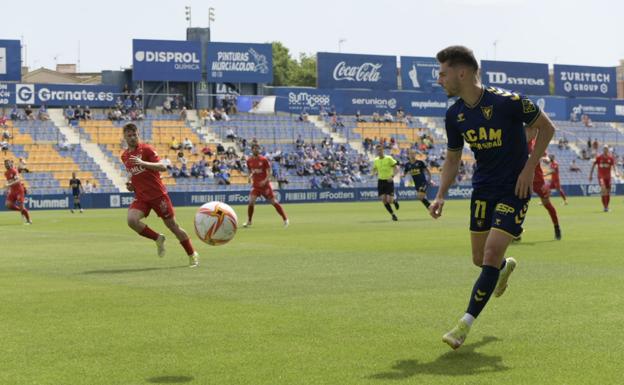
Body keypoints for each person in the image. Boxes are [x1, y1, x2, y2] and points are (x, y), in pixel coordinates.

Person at [430, 46, 554, 350]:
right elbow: (452, 159)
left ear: (463, 72)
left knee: (489, 255)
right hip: (483, 189)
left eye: (443, 73)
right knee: (480, 259)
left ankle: (463, 325)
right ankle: (504, 268)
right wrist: (440, 195)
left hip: (515, 189)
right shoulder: (454, 115)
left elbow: (547, 128)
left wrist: (529, 168)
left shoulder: (507, 102)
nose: (439, 80)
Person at [121, 123, 199, 267]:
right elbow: (133, 174)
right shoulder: (124, 156)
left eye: (134, 135)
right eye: (129, 135)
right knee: (132, 220)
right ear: (125, 137)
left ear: (138, 134)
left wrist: (142, 162)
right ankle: (157, 238)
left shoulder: (147, 149)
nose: (132, 138)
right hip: (141, 197)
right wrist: (131, 184)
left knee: (173, 226)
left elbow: (162, 167)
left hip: (158, 195)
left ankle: (192, 254)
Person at [526, 128, 561, 240]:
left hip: (538, 181)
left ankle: (557, 227)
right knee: (517, 206)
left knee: (547, 204)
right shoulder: (518, 143)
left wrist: (544, 158)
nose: (530, 132)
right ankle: (516, 232)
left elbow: (546, 156)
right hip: (525, 180)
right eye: (527, 130)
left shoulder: (536, 144)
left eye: (532, 130)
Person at [243, 143, 289, 228]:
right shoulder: (249, 161)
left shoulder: (263, 159)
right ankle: (249, 221)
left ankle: (285, 219)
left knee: (274, 202)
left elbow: (269, 172)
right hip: (256, 186)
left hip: (265, 186)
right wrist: (249, 176)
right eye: (254, 148)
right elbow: (249, 171)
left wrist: (265, 181)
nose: (256, 150)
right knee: (251, 201)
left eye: (257, 148)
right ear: (252, 150)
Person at [372, 144, 400, 221]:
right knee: (383, 200)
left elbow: (396, 168)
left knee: (389, 200)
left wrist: (392, 176)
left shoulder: (389, 158)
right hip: (380, 181)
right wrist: (373, 172)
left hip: (389, 181)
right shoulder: (376, 160)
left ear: (383, 150)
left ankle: (394, 201)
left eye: (380, 150)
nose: (379, 151)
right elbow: (374, 168)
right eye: (377, 150)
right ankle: (393, 215)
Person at [589, 145, 619, 212]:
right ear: (603, 150)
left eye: (606, 149)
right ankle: (605, 207)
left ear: (608, 150)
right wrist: (590, 175)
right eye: (604, 149)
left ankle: (607, 206)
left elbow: (614, 166)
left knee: (608, 192)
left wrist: (616, 172)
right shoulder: (599, 157)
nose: (605, 150)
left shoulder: (610, 158)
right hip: (601, 176)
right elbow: (593, 166)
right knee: (603, 190)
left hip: (608, 177)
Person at [4, 159, 32, 224]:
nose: (7, 164)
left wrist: (9, 184)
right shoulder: (6, 173)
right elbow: (9, 181)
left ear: (10, 163)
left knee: (22, 206)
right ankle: (21, 211)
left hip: (19, 190)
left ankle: (29, 220)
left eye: (8, 163)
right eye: (5, 164)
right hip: (12, 190)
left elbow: (18, 180)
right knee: (8, 205)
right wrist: (7, 188)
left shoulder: (14, 170)